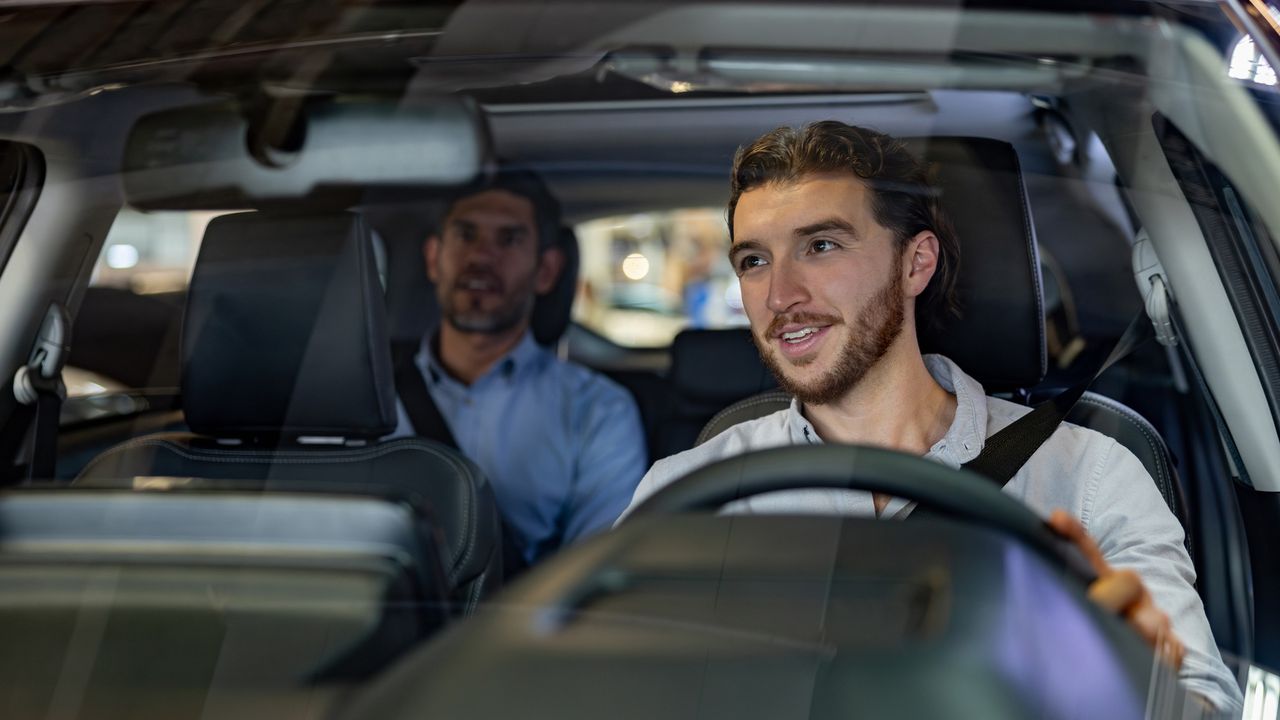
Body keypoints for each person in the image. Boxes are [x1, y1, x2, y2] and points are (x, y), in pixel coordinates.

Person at [619, 122, 1241, 713]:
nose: (780, 296)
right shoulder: (687, 493)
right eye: (754, 261)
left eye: (821, 245)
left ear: (916, 263)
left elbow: (1202, 704)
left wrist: (1127, 682)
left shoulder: (1088, 475)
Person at [392, 169, 647, 565]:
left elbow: (591, 579)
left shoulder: (597, 412)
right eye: (465, 235)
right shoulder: (363, 399)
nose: (480, 257)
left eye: (508, 239)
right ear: (432, 259)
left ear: (546, 271)